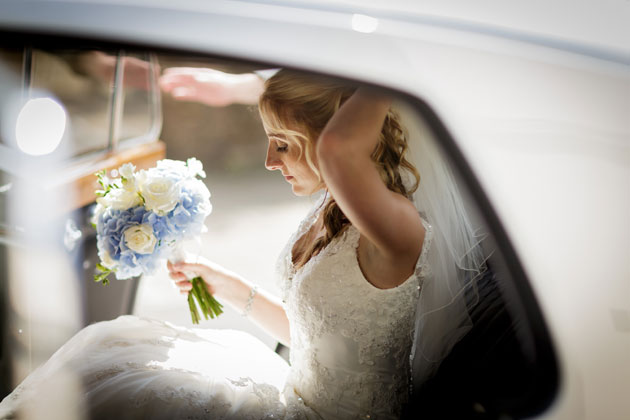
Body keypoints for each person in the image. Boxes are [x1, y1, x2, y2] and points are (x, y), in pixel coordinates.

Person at [0, 69, 485, 419]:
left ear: (329, 137)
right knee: (114, 347)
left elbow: (339, 151)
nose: (270, 161)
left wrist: (384, 58)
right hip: (291, 391)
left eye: (283, 141)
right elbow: (318, 339)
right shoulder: (330, 210)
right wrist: (225, 284)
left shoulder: (398, 230)